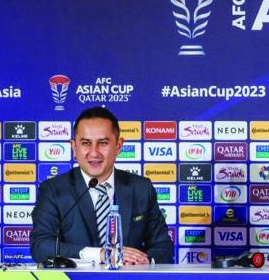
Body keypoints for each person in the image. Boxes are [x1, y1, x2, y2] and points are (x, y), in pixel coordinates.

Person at [31, 107, 172, 265]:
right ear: (74, 147)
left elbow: (163, 246)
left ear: (118, 146)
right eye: (86, 143)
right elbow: (41, 247)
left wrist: (141, 262)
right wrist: (101, 254)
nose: (94, 153)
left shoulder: (141, 188)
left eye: (103, 143)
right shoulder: (53, 190)